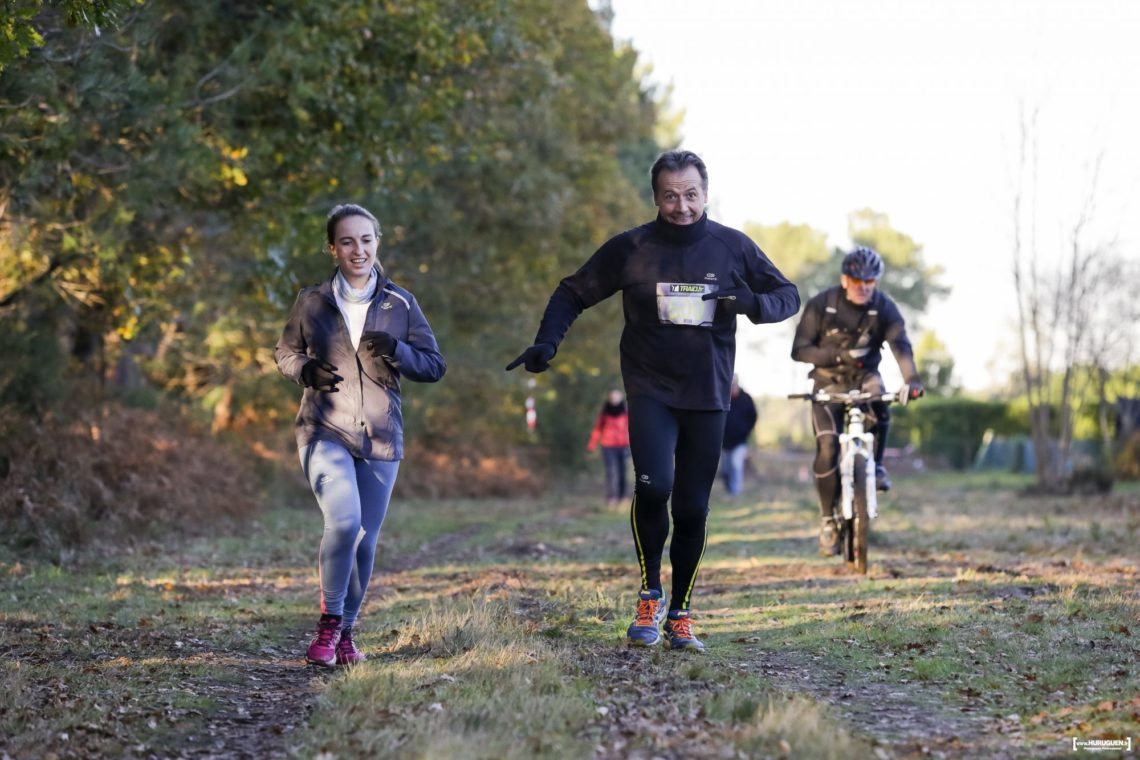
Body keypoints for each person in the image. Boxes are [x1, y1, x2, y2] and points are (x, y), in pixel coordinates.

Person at [507, 150, 800, 652]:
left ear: (705, 195)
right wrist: (547, 341)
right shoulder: (633, 248)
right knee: (654, 486)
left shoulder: (731, 247)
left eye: (690, 194)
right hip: (650, 389)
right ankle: (649, 595)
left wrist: (752, 303)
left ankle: (681, 613)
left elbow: (787, 295)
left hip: (707, 393)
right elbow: (572, 292)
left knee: (692, 508)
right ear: (656, 197)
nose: (681, 206)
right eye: (670, 195)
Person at [275, 203, 446, 667]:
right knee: (345, 523)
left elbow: (434, 366)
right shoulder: (312, 302)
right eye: (347, 241)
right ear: (332, 248)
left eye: (366, 240)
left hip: (381, 437)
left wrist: (399, 351)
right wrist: (305, 369)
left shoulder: (401, 303)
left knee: (366, 540)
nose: (358, 250)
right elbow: (285, 353)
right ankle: (329, 625)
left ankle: (347, 634)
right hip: (323, 429)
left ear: (377, 242)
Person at [790, 246, 923, 557]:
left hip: (865, 379)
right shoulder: (822, 304)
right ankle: (827, 520)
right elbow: (799, 350)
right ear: (844, 279)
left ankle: (876, 466)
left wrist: (913, 380)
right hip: (827, 382)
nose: (863, 287)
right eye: (857, 281)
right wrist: (838, 355)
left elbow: (900, 344)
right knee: (827, 447)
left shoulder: (884, 307)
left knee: (881, 397)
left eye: (870, 282)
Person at [587, 388, 631, 506]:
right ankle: (611, 497)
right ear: (609, 398)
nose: (614, 399)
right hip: (608, 446)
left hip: (623, 446)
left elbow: (632, 430)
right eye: (612, 397)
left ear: (621, 398)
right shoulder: (604, 414)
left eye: (617, 397)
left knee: (623, 472)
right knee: (611, 472)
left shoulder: (626, 413)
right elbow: (597, 429)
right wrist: (592, 444)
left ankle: (623, 497)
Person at [719, 374, 758, 497]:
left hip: (740, 441)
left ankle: (735, 492)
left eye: (733, 385)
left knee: (736, 465)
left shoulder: (746, 399)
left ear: (737, 384)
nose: (731, 388)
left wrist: (746, 430)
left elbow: (753, 417)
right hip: (724, 441)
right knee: (725, 470)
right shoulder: (723, 398)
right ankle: (729, 489)